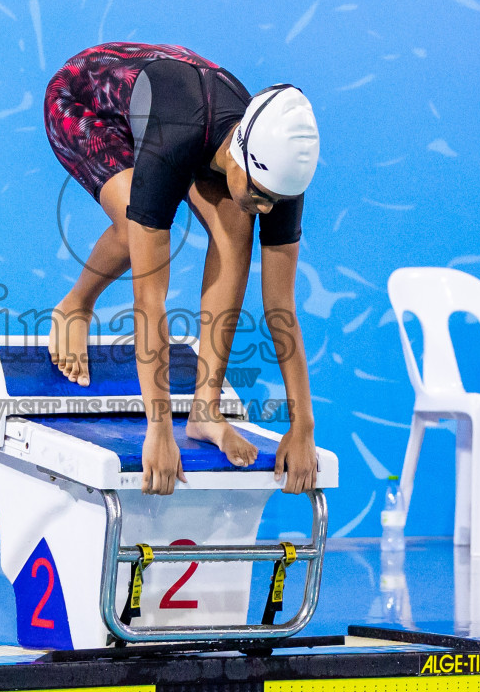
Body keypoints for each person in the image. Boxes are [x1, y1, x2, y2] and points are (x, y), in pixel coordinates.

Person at [43, 43, 321, 496]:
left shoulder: (279, 171)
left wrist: (303, 425)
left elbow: (280, 306)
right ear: (239, 154)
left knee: (237, 233)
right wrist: (159, 428)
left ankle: (205, 410)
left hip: (186, 110)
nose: (268, 206)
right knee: (137, 227)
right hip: (85, 98)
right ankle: (76, 304)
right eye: (260, 192)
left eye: (276, 198)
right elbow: (148, 299)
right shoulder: (176, 139)